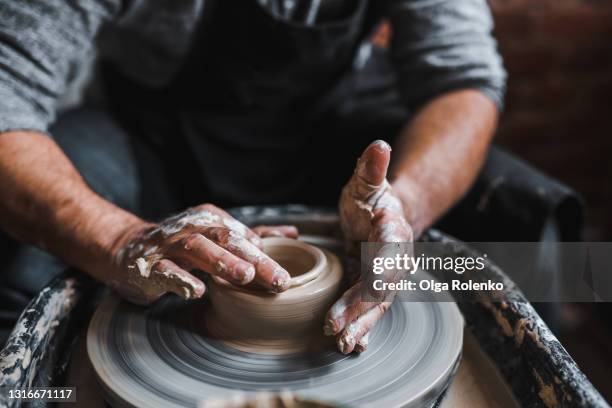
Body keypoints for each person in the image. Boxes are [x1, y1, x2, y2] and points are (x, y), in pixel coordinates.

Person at [0, 0, 505, 354]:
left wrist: (404, 205)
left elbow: (464, 80)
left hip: (323, 145)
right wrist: (117, 239)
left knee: (515, 214)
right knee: (25, 264)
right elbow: (7, 93)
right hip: (155, 147)